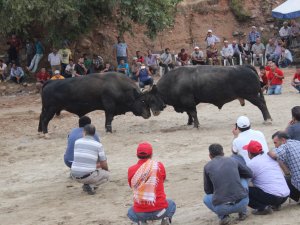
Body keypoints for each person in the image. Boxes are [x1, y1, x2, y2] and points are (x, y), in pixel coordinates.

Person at [127, 142, 176, 225]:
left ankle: (141, 222)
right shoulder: (159, 166)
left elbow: (131, 185)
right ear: (151, 154)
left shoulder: (131, 169)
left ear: (137, 155)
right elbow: (162, 179)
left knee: (130, 212)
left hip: (140, 213)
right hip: (160, 211)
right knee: (172, 204)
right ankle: (165, 219)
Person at [203, 144, 252, 224]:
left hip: (222, 208)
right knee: (243, 178)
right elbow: (249, 174)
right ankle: (243, 212)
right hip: (243, 203)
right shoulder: (233, 160)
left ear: (210, 156)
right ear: (223, 153)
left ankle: (223, 217)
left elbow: (208, 190)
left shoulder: (207, 166)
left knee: (206, 198)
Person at [245, 140, 289, 214]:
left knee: (244, 190)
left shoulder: (251, 164)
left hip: (273, 197)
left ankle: (262, 208)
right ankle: (276, 205)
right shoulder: (269, 157)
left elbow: (246, 182)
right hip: (285, 196)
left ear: (249, 153)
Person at [71, 124, 109, 195]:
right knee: (106, 176)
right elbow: (103, 163)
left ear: (84, 132)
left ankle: (87, 184)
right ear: (94, 133)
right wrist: (106, 170)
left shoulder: (77, 142)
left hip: (73, 174)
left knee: (90, 168)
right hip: (87, 176)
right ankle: (90, 185)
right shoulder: (98, 145)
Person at [268, 131, 300, 203]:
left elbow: (273, 154)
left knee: (280, 179)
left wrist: (264, 151)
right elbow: (287, 172)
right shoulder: (297, 142)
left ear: (283, 140)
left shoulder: (284, 146)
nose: (275, 146)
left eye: (275, 143)